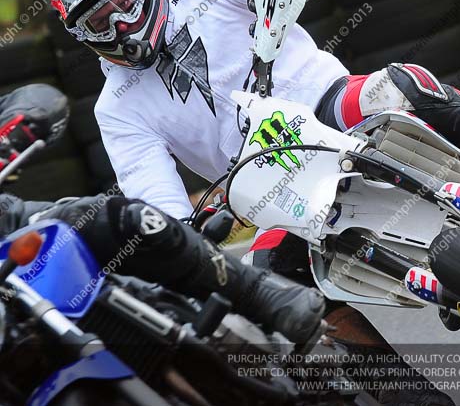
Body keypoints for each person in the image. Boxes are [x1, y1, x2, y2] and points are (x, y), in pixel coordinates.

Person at [46, 0, 460, 402]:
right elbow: (156, 206)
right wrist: (184, 235)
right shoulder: (116, 108)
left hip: (328, 102)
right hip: (268, 181)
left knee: (402, 87)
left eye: (122, 4)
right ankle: (412, 399)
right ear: (83, 37)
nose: (120, 27)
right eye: (99, 23)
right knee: (272, 279)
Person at [0, 84, 326, 346]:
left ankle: (257, 293)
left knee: (121, 219)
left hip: (8, 227)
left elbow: (36, 101)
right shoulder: (116, 109)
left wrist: (12, 131)